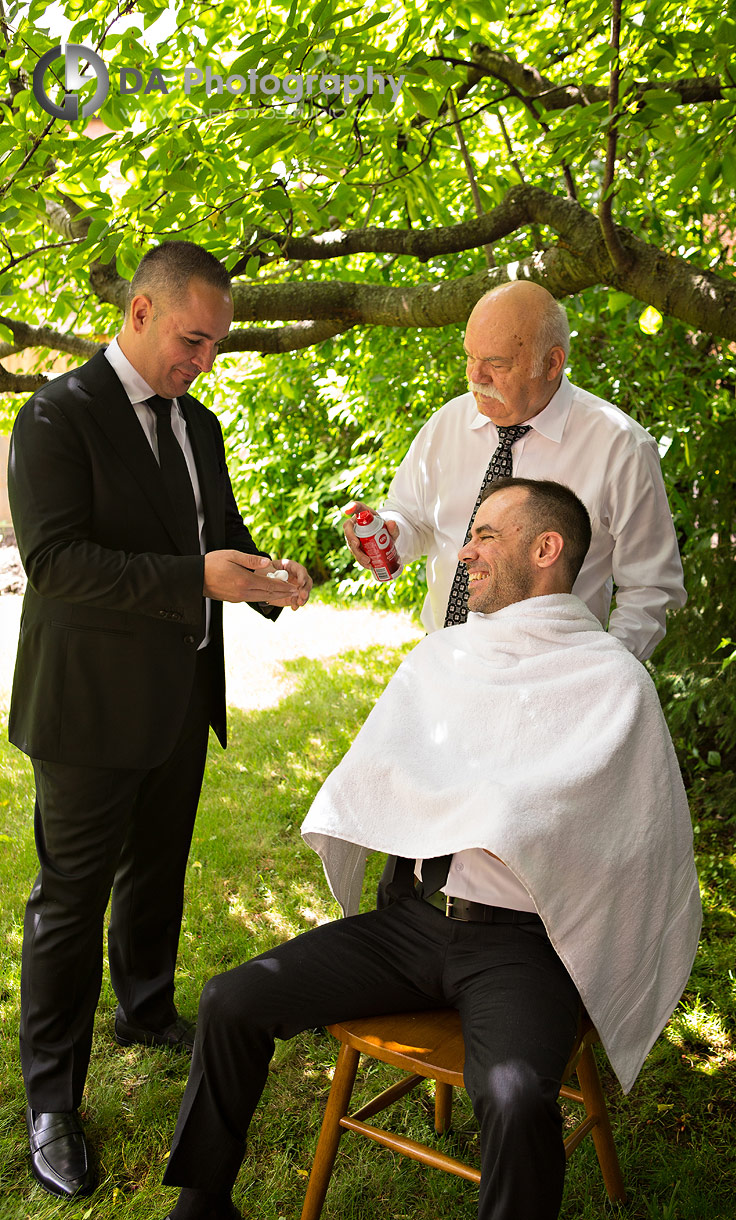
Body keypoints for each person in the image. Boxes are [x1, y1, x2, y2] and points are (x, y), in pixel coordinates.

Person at [159, 478, 701, 1220]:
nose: (466, 552)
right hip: (411, 925)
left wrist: (505, 809)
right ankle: (201, 1203)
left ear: (546, 551)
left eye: (485, 537)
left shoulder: (611, 680)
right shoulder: (445, 657)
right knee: (229, 1000)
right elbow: (385, 772)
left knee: (512, 1098)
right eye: (468, 535)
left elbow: (632, 841)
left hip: (521, 948)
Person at [7, 240, 313, 1200]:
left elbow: (213, 536)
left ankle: (142, 1008)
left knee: (158, 870)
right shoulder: (54, 415)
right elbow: (56, 563)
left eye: (216, 345)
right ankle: (52, 1097)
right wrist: (198, 579)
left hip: (181, 697)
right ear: (140, 313)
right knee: (69, 902)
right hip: (87, 709)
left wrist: (269, 580)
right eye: (193, 339)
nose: (204, 361)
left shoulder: (201, 423)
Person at [343, 280, 686, 661]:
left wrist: (601, 674)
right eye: (470, 357)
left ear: (552, 363)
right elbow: (411, 517)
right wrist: (390, 532)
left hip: (553, 671)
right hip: (443, 658)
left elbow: (650, 589)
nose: (476, 376)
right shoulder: (448, 423)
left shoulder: (619, 446)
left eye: (496, 363)